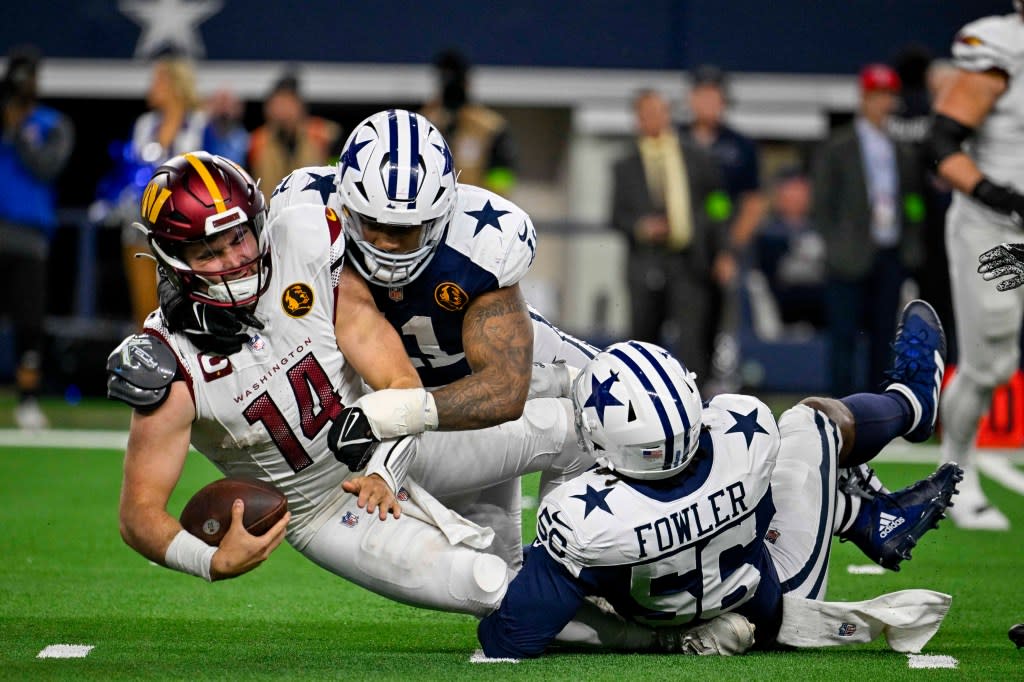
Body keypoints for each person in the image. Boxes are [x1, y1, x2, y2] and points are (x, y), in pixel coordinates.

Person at [109, 151, 603, 627]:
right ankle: (642, 635)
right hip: (324, 511)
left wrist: (386, 468)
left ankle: (603, 575)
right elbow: (139, 514)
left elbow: (399, 381)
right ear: (172, 258)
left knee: (573, 427)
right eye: (209, 252)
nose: (236, 259)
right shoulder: (168, 363)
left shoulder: (302, 247)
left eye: (239, 238)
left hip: (393, 438)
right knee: (487, 583)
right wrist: (209, 561)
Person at [478, 300, 961, 659]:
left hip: (708, 613)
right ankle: (910, 407)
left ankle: (873, 518)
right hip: (777, 596)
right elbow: (767, 497)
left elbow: (512, 636)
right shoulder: (742, 434)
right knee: (812, 422)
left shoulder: (581, 522)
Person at [925, 2, 1024, 531]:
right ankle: (953, 472)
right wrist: (999, 194)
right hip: (1001, 232)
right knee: (992, 363)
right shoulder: (998, 50)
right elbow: (940, 143)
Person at [812, 63, 927, 397]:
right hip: (848, 254)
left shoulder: (902, 151)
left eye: (887, 96)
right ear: (863, 98)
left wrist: (911, 245)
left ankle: (879, 407)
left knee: (884, 336)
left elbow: (913, 203)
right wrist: (834, 245)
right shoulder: (838, 147)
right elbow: (822, 203)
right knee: (843, 336)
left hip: (889, 252)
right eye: (876, 96)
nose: (882, 103)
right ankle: (839, 409)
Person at [611, 89, 728, 390]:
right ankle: (643, 404)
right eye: (646, 113)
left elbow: (718, 203)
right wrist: (641, 227)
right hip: (646, 262)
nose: (653, 119)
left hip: (690, 261)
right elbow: (615, 216)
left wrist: (723, 249)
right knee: (643, 341)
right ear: (637, 119)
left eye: (659, 111)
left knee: (693, 340)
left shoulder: (696, 156)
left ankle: (697, 407)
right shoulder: (625, 164)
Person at [680, 65, 767, 393]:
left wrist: (730, 249)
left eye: (713, 95)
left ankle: (719, 388)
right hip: (680, 252)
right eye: (701, 94)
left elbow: (753, 203)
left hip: (723, 251)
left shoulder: (739, 146)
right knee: (683, 325)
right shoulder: (676, 138)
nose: (707, 102)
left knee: (721, 323)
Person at [0, 45, 74, 429]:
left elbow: (47, 168)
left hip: (29, 238)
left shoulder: (52, 123)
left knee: (30, 323)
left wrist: (21, 133)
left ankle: (27, 400)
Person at [122, 54, 211, 330]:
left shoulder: (200, 124)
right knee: (146, 312)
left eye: (158, 80)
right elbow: (132, 171)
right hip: (142, 225)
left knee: (184, 307)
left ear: (174, 84)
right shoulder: (144, 125)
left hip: (187, 229)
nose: (152, 86)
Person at [420, 49, 518, 197]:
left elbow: (501, 173)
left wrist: (492, 204)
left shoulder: (489, 126)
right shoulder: (425, 122)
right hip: (430, 209)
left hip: (474, 210)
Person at [248, 70, 342, 203]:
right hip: (270, 214)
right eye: (279, 103)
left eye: (289, 102)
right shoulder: (256, 141)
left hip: (315, 210)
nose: (284, 109)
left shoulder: (323, 135)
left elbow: (337, 174)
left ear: (300, 106)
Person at [753, 165, 827, 329]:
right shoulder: (766, 233)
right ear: (778, 195)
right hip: (783, 300)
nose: (797, 199)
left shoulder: (824, 230)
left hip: (821, 299)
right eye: (791, 192)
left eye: (801, 192)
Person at [202, 87, 249, 165]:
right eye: (221, 102)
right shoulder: (201, 133)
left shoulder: (243, 137)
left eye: (228, 103)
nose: (224, 108)